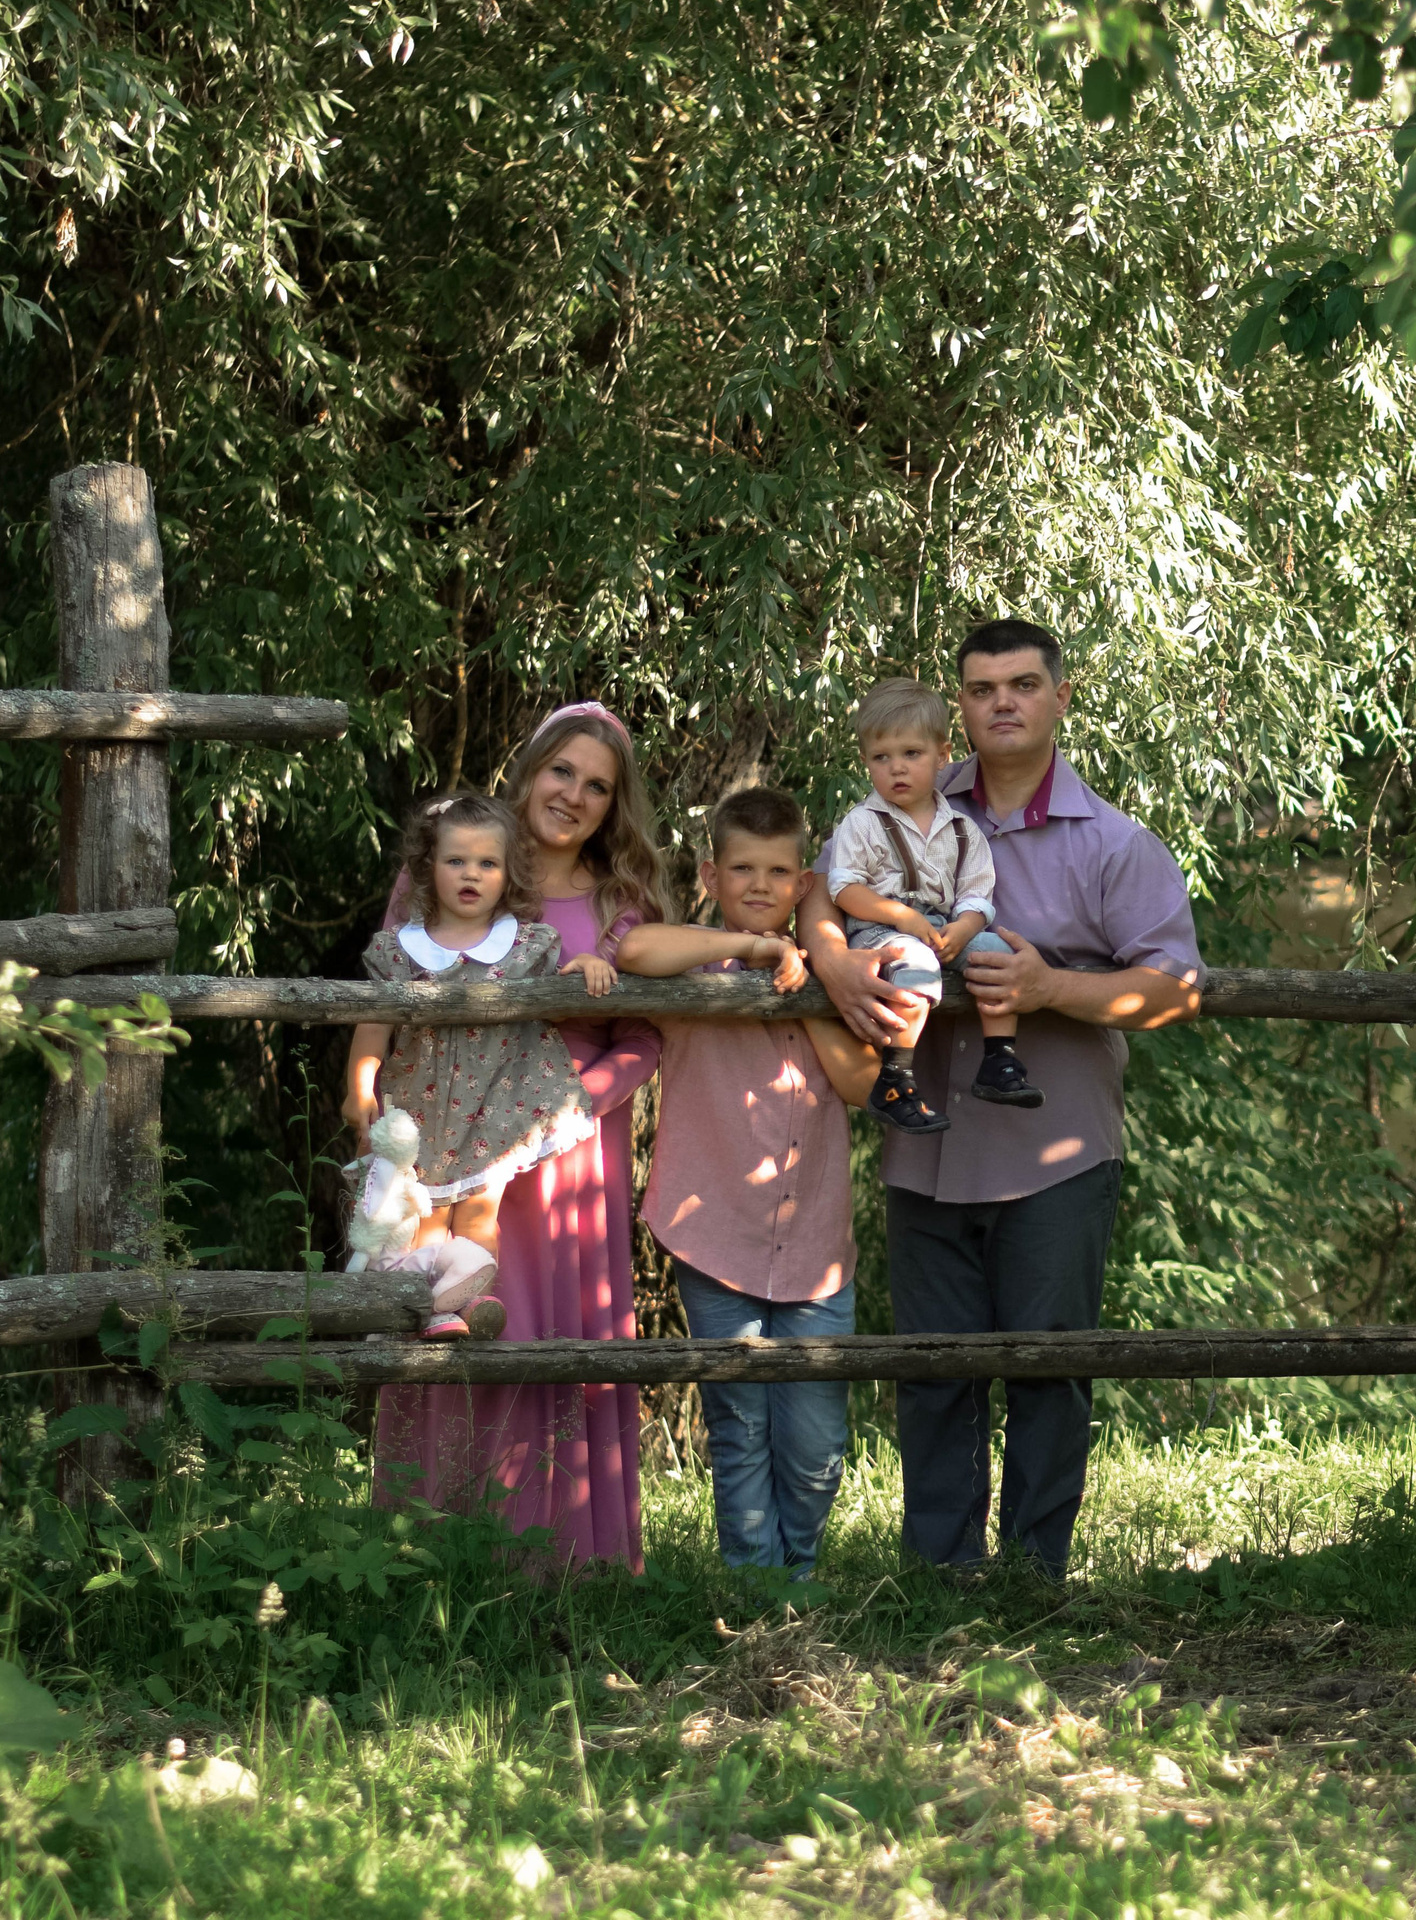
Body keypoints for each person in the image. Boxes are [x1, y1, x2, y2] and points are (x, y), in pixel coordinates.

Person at [803, 618, 1205, 1584]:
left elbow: (1177, 987)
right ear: (961, 709)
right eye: (983, 689)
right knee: (935, 1371)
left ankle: (1034, 1577)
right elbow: (819, 891)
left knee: (1047, 1366)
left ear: (1060, 697)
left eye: (1024, 685)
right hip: (927, 1143)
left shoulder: (1113, 842)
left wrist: (1048, 989)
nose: (1004, 703)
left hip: (1055, 1151)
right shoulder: (901, 800)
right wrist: (830, 959)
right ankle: (940, 1576)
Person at [373, 702, 668, 1573]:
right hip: (449, 1132)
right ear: (530, 768)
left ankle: (569, 1562)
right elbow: (389, 1002)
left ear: (614, 807)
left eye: (598, 786)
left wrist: (563, 1107)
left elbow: (644, 1039)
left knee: (549, 1340)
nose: (573, 795)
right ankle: (434, 1554)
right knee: (454, 1324)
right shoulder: (450, 870)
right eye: (561, 771)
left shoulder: (623, 904)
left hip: (568, 1151)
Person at [617, 788, 878, 1574]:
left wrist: (809, 988)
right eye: (742, 869)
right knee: (739, 1424)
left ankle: (801, 1570)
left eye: (777, 871)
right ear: (711, 874)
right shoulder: (696, 969)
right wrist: (751, 952)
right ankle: (756, 1587)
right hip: (714, 1232)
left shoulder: (835, 975)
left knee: (814, 1437)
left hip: (816, 1245)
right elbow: (633, 952)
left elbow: (862, 1085)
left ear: (803, 883)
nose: (759, 885)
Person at [344, 793, 608, 1337]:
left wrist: (582, 966)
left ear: (508, 874)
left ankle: (464, 1302)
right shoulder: (400, 949)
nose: (472, 874)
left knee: (479, 1214)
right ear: (427, 867)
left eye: (488, 863)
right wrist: (359, 1090)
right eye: (455, 861)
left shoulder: (527, 944)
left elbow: (555, 995)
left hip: (495, 1107)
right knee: (424, 1220)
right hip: (421, 1106)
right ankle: (429, 1310)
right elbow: (372, 1026)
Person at [826, 676, 1040, 1133]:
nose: (896, 769)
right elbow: (844, 890)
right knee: (917, 962)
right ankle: (895, 1079)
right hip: (879, 929)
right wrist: (899, 915)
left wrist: (964, 928)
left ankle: (999, 1061)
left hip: (943, 928)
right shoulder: (863, 823)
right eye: (881, 758)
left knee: (999, 955)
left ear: (942, 755)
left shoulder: (961, 829)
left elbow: (978, 895)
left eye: (911, 754)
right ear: (865, 763)